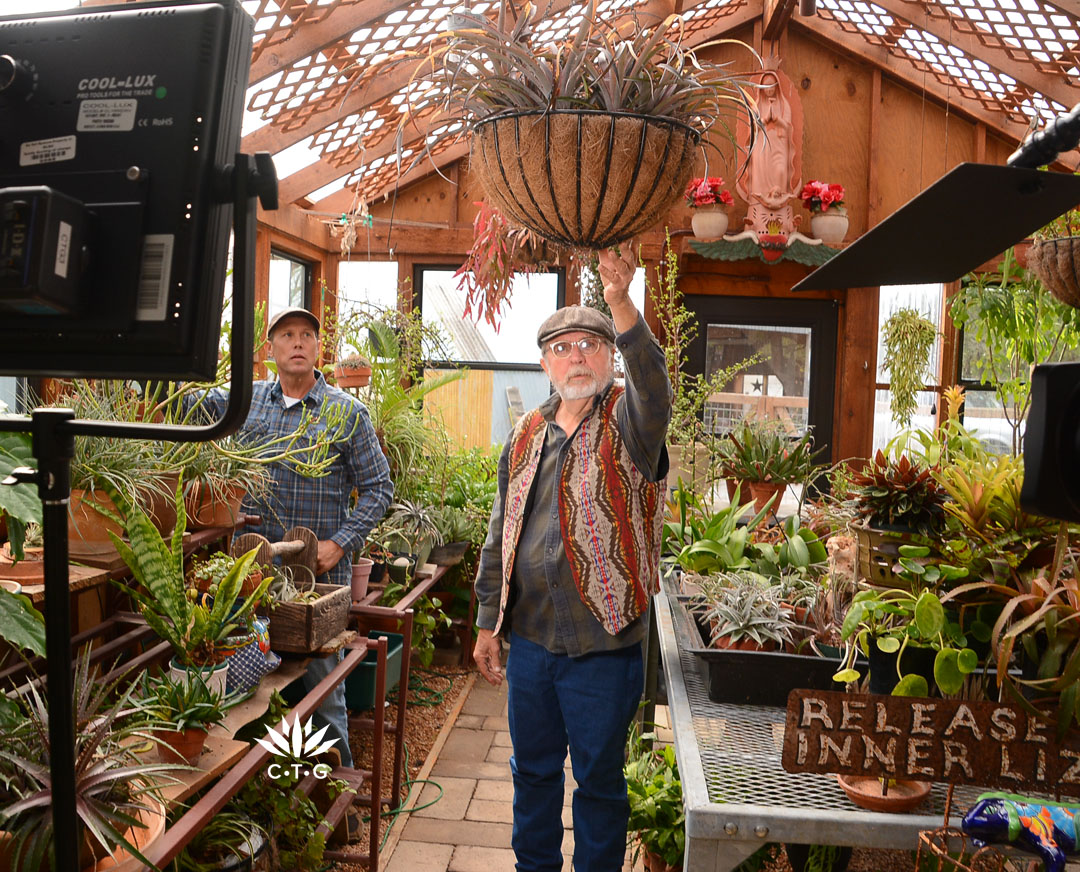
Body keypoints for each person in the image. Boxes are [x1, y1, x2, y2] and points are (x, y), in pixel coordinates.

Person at [472, 246, 672, 872]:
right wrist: (486, 619)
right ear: (545, 363)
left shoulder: (629, 421)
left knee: (600, 787)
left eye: (590, 344)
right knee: (531, 775)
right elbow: (501, 526)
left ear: (609, 356)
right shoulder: (528, 430)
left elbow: (656, 388)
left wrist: (619, 301)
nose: (577, 355)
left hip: (604, 644)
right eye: (563, 347)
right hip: (530, 642)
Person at [188, 306, 393, 773]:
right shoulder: (246, 401)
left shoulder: (347, 414)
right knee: (249, 689)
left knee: (324, 691)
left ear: (319, 348)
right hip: (251, 579)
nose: (297, 342)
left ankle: (339, 790)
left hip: (315, 587)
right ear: (270, 349)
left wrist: (338, 543)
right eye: (286, 335)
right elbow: (189, 405)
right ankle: (264, 787)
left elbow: (380, 488)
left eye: (306, 335)